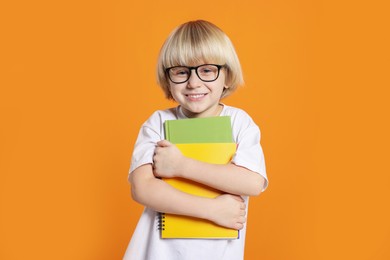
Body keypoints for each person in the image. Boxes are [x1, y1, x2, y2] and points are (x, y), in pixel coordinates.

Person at [124, 20, 268, 260]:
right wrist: (212, 210)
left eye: (207, 70)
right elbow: (141, 187)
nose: (193, 82)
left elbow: (252, 182)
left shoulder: (239, 122)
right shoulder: (157, 123)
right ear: (167, 78)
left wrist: (182, 166)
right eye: (181, 71)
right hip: (157, 254)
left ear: (227, 75)